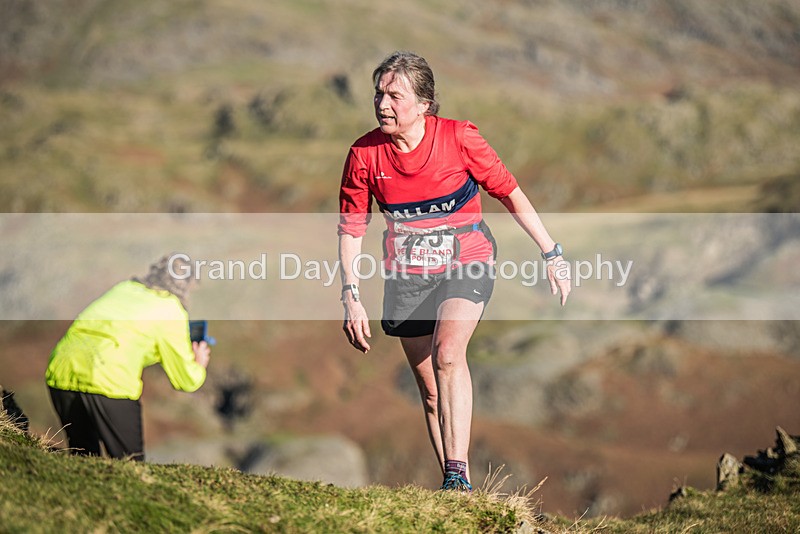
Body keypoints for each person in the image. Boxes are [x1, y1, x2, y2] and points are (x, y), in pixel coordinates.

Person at [338, 51, 571, 492]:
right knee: (429, 389)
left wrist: (551, 253)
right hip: (406, 276)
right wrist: (350, 295)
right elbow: (352, 225)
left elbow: (510, 192)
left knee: (448, 354)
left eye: (395, 96)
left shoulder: (460, 138)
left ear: (424, 103)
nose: (382, 104)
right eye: (378, 93)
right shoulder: (364, 155)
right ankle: (455, 493)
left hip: (469, 258)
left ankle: (457, 475)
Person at [45, 254, 211, 461]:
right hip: (108, 381)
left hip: (62, 368)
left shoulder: (124, 288)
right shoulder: (172, 309)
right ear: (187, 285)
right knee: (130, 464)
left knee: (82, 456)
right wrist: (199, 364)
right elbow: (186, 380)